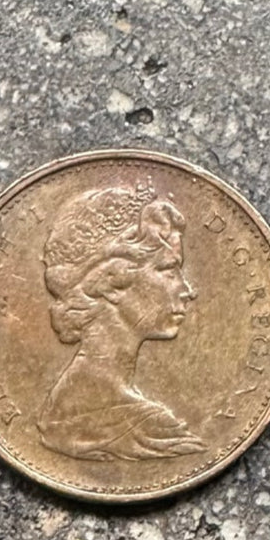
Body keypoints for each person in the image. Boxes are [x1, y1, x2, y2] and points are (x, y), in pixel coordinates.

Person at [36, 181, 208, 460]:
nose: (187, 290)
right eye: (168, 270)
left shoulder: (65, 409)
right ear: (111, 282)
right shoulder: (141, 426)